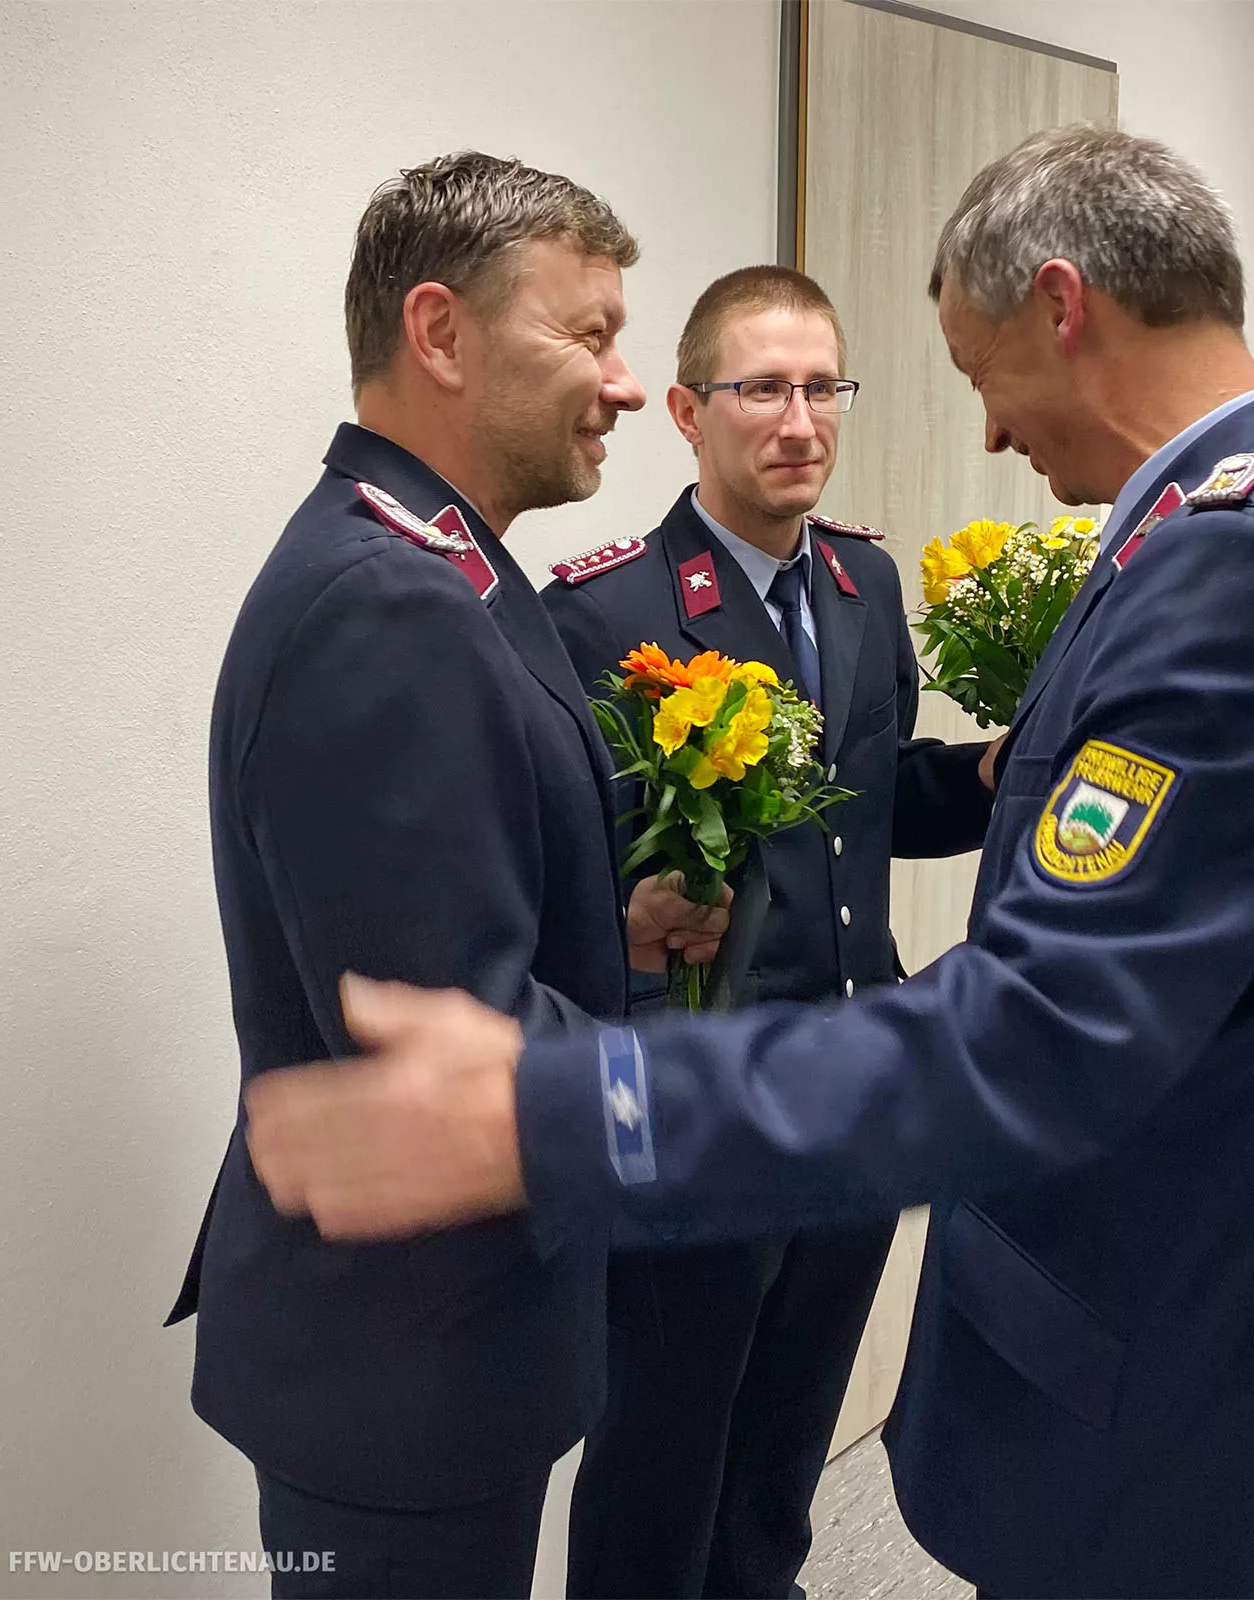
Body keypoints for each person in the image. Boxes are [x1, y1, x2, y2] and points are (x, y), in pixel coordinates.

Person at [243, 127, 1254, 1600]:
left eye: (971, 374)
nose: (988, 433)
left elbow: (1020, 988)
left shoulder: (1215, 560)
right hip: (884, 1191)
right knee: (666, 1468)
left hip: (1160, 1319)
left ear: (1061, 308)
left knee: (772, 1472)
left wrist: (565, 1104)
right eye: (760, 386)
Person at [164, 151, 727, 1600]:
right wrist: (730, 1100)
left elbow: (434, 933)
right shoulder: (392, 603)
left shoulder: (446, 567)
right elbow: (443, 1043)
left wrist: (612, 934)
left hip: (440, 1333)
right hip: (407, 1365)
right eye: (589, 334)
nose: (623, 385)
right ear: (440, 332)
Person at [542, 264, 997, 1599]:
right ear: (689, 412)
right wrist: (623, 927)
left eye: (821, 388)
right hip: (702, 1095)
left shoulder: (863, 582)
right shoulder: (606, 613)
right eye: (762, 391)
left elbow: (870, 799)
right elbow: (557, 872)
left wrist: (993, 773)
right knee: (663, 1443)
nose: (800, 422)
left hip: (856, 1080)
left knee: (789, 1430)